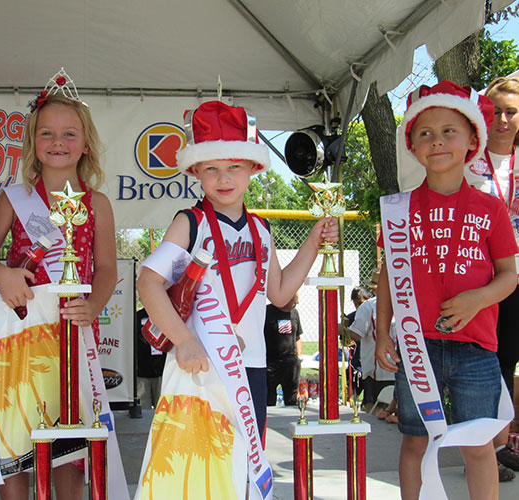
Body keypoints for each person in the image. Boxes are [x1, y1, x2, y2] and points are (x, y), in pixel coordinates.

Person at [137, 100, 338, 453]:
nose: (224, 178)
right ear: (196, 171)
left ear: (252, 168)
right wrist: (183, 340)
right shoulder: (190, 223)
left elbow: (278, 293)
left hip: (251, 366)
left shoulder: (261, 229)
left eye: (234, 166)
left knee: (245, 464)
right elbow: (148, 282)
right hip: (200, 365)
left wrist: (313, 242)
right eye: (211, 168)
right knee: (200, 469)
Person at [375, 80, 518, 500]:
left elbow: (509, 274)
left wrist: (478, 299)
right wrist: (384, 332)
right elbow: (386, 277)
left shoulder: (491, 208)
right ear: (413, 146)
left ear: (473, 139)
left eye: (449, 131)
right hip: (419, 348)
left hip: (477, 349)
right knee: (415, 442)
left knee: (479, 444)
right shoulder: (398, 208)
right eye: (425, 133)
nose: (437, 141)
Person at [0, 69, 117, 500]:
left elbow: (108, 268)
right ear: (33, 143)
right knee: (17, 439)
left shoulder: (98, 204)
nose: (58, 142)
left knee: (70, 447)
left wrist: (94, 305)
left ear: (86, 143)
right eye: (47, 134)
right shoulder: (12, 197)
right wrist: (0, 273)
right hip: (21, 336)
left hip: (75, 333)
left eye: (69, 133)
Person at [464, 76, 519, 477]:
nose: (502, 119)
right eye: (495, 111)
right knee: (491, 362)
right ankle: (488, 450)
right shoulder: (469, 162)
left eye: (511, 112)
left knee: (510, 359)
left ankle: (504, 443)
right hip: (485, 278)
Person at [348, 269, 395, 413]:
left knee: (373, 408)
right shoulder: (406, 303)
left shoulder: (368, 306)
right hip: (401, 369)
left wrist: (340, 328)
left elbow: (355, 334)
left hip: (378, 370)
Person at [264, 292, 303, 406]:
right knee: (269, 399)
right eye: (294, 301)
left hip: (290, 363)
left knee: (291, 398)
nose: (296, 304)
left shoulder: (294, 313)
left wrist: (299, 356)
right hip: (271, 362)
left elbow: (297, 337)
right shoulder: (267, 312)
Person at [135, 308, 166, 409]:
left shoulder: (166, 315)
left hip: (161, 371)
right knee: (144, 407)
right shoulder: (137, 316)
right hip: (142, 371)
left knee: (162, 407)